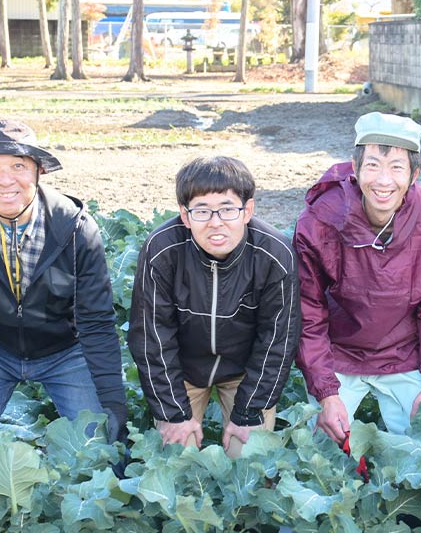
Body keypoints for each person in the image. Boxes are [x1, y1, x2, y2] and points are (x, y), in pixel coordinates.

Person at [0, 119, 127, 474]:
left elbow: (97, 320)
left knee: (102, 459)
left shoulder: (76, 229)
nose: (5, 180)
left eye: (18, 166)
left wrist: (112, 399)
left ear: (38, 171)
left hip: (65, 352)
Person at [294, 112, 421, 443]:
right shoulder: (320, 221)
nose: (383, 180)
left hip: (403, 354)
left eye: (396, 167)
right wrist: (326, 392)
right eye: (372, 165)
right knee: (321, 449)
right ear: (354, 169)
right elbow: (307, 313)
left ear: (414, 174)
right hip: (339, 353)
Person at [128, 156, 299, 457]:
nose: (216, 222)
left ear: (248, 211)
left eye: (227, 209)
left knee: (248, 459)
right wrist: (174, 414)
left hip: (244, 371)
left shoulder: (274, 254)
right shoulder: (162, 251)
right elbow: (151, 339)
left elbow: (277, 343)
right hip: (184, 370)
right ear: (184, 215)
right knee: (177, 459)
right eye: (202, 211)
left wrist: (248, 414)